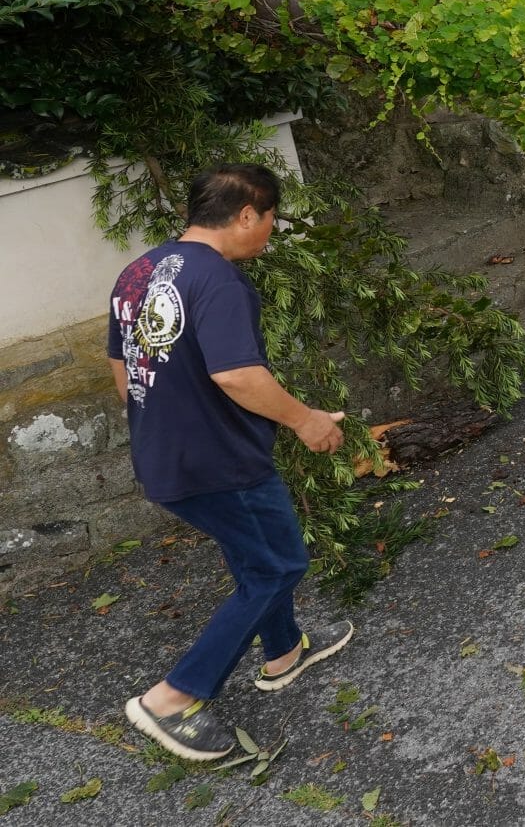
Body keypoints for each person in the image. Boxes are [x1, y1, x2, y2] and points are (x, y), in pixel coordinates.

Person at [110, 164, 353, 762]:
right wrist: (306, 420)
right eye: (269, 220)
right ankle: (172, 698)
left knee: (255, 551)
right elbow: (237, 374)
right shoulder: (217, 280)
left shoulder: (139, 270)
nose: (268, 233)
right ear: (248, 214)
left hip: (165, 455)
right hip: (220, 461)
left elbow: (122, 369)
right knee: (277, 565)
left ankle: (284, 651)